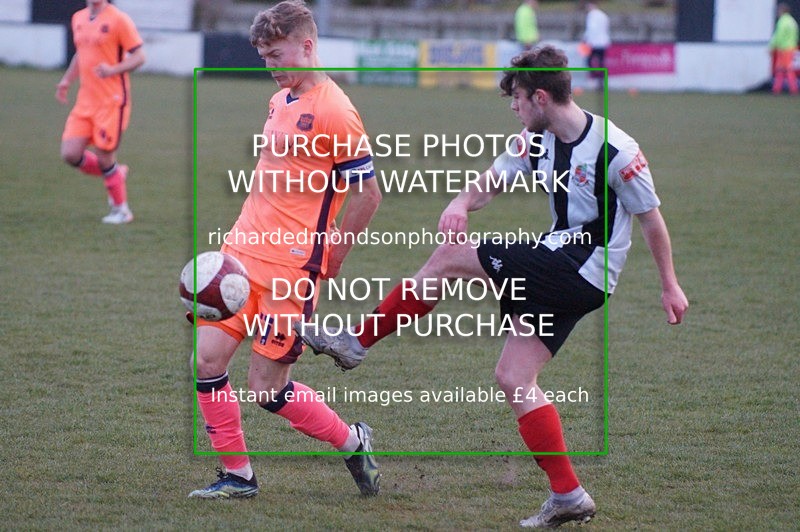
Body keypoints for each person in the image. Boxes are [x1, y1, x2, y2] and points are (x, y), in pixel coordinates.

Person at [295, 45, 688, 527]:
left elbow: (651, 219)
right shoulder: (535, 138)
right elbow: (493, 180)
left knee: (448, 259)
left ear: (540, 97)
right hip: (566, 268)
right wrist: (461, 203)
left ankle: (355, 343)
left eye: (517, 98)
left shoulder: (616, 150)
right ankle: (569, 495)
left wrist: (670, 285)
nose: (513, 107)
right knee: (514, 377)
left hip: (579, 267)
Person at [187, 0, 383, 499]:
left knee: (267, 391)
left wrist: (333, 256)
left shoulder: (336, 110)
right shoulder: (280, 101)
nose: (270, 67)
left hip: (291, 271)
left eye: (277, 55)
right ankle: (239, 476)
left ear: (307, 45)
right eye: (264, 58)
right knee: (207, 362)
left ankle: (352, 440)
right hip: (239, 258)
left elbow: (368, 192)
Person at [56, 0, 145, 224]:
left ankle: (121, 210)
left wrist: (113, 69)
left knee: (105, 155)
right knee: (70, 153)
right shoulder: (78, 18)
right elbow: (81, 53)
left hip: (111, 101)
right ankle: (116, 173)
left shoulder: (119, 19)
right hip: (86, 101)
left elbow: (139, 57)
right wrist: (67, 80)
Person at [769, 3, 799, 95]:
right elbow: (796, 35)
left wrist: (772, 46)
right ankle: (776, 88)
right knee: (781, 69)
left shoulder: (782, 21)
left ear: (782, 11)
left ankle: (793, 89)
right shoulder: (792, 21)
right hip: (791, 47)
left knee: (787, 69)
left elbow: (778, 36)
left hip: (783, 49)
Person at [581, 1, 610, 90]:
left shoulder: (591, 15)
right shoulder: (604, 15)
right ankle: (601, 81)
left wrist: (585, 39)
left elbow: (591, 29)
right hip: (603, 42)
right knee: (601, 62)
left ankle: (595, 77)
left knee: (589, 61)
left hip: (594, 42)